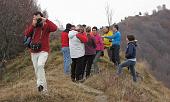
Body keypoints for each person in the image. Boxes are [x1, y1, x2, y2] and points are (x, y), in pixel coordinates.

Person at [24, 11, 57, 93]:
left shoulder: (46, 25)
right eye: (35, 18)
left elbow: (55, 28)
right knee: (38, 70)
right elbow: (26, 34)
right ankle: (43, 90)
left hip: (43, 50)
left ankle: (40, 85)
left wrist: (46, 20)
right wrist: (33, 25)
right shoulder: (33, 26)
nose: (37, 19)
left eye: (38, 18)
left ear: (42, 17)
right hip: (33, 51)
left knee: (40, 65)